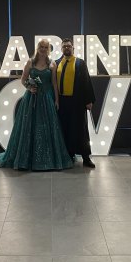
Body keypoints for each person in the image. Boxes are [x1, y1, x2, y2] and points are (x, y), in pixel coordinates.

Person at [0, 39, 73, 171]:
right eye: (41, 47)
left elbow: (54, 83)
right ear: (38, 48)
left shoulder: (52, 64)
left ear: (48, 49)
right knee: (29, 128)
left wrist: (56, 100)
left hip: (47, 100)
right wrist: (29, 88)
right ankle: (27, 159)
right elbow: (23, 79)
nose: (43, 49)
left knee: (45, 129)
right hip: (31, 100)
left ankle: (47, 159)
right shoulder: (30, 62)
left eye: (46, 47)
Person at [56, 38, 96, 168]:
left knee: (81, 130)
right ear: (61, 49)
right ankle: (69, 155)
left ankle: (86, 158)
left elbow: (86, 81)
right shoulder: (56, 63)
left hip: (77, 101)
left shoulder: (80, 63)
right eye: (64, 47)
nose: (66, 48)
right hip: (62, 102)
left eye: (68, 46)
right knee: (65, 129)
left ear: (73, 48)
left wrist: (89, 100)